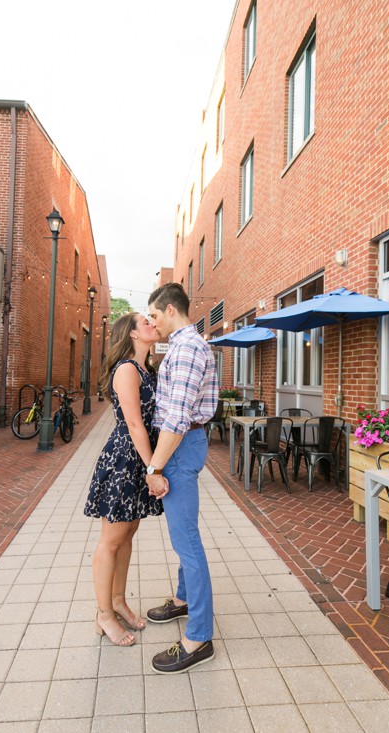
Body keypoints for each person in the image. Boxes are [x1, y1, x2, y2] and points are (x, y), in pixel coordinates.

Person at [143, 282, 220, 674]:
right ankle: (185, 598)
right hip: (182, 444)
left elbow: (177, 417)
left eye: (154, 315)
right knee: (183, 535)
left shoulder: (188, 348)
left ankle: (199, 636)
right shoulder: (182, 345)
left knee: (187, 540)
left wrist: (155, 467)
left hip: (180, 445)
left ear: (170, 309)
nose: (152, 322)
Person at [85, 312, 165, 647]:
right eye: (146, 322)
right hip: (124, 460)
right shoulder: (127, 370)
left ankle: (118, 600)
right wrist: (153, 469)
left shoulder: (148, 368)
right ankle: (103, 614)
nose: (153, 325)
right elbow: (134, 425)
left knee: (128, 533)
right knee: (111, 539)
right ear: (132, 334)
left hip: (139, 459)